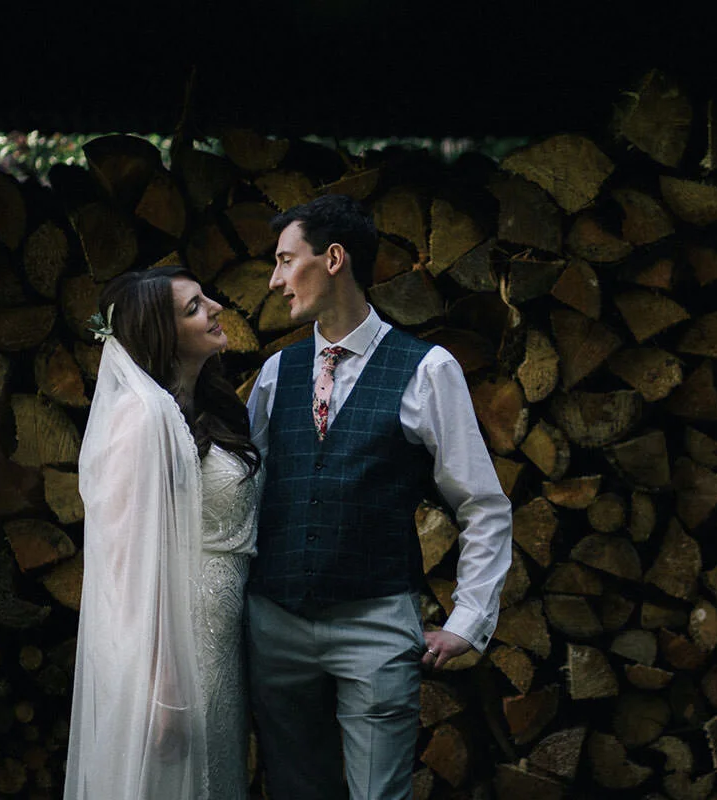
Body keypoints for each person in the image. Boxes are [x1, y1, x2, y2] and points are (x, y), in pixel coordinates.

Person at [246, 194, 512, 799]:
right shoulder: (274, 374)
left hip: (376, 624)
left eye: (287, 260)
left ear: (333, 258)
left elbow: (481, 504)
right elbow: (242, 493)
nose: (275, 279)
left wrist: (469, 619)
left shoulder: (428, 369)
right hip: (274, 623)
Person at [64, 266, 262, 800]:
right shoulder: (142, 416)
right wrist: (162, 688)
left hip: (219, 641)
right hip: (174, 645)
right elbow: (124, 563)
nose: (218, 306)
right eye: (195, 306)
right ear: (161, 335)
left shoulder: (206, 406)